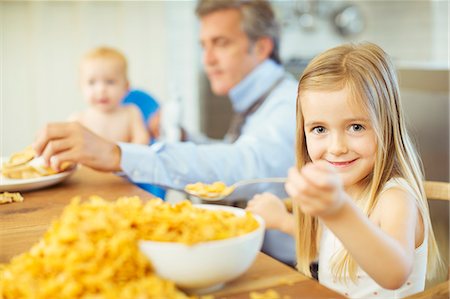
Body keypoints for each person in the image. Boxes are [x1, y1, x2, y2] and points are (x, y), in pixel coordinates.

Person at [33, 0, 298, 266]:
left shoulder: (290, 104)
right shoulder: (257, 100)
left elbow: (245, 165)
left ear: (262, 47)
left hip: (290, 267)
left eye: (221, 43)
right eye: (203, 46)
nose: (207, 60)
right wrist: (183, 136)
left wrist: (118, 154)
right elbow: (236, 152)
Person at [246, 42, 443, 298]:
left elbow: (394, 273)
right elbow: (338, 245)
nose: (336, 147)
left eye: (356, 127)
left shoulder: (395, 198)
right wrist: (283, 222)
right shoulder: (346, 188)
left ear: (387, 126)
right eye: (319, 129)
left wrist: (338, 211)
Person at [69, 47, 149, 145]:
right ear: (80, 86)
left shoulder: (131, 113)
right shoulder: (78, 120)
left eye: (110, 82)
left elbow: (142, 141)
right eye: (92, 82)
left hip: (124, 160)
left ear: (126, 87)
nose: (101, 89)